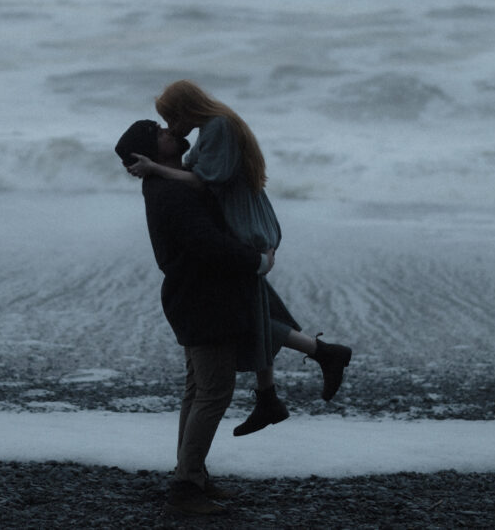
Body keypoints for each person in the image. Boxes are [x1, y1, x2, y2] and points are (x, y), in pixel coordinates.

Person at [126, 80, 352, 437]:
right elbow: (195, 174)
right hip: (241, 224)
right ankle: (278, 388)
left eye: (170, 118)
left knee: (253, 311)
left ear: (187, 109)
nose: (171, 127)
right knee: (256, 309)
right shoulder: (211, 129)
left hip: (245, 227)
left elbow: (204, 181)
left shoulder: (219, 127)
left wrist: (156, 169)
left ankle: (302, 371)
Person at [115, 119, 274, 516]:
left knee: (198, 389)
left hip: (193, 297)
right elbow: (206, 243)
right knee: (213, 392)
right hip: (203, 299)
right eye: (160, 132)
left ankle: (192, 475)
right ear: (148, 154)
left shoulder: (170, 181)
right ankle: (186, 488)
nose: (170, 131)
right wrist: (256, 261)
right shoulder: (169, 191)